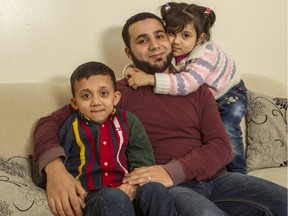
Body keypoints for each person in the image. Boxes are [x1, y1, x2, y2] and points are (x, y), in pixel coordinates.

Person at [34, 12, 287, 216]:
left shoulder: (196, 88)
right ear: (129, 53)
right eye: (143, 40)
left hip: (217, 180)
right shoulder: (112, 93)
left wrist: (171, 170)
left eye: (160, 35)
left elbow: (221, 147)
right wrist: (55, 170)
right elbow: (49, 123)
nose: (155, 45)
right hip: (171, 190)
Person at [36, 61, 178, 216]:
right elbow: (59, 165)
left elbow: (142, 161)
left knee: (155, 189)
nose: (96, 102)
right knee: (114, 197)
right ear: (75, 103)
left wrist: (133, 185)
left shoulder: (129, 121)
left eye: (103, 93)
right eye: (86, 96)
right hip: (92, 198)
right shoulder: (70, 127)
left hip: (129, 190)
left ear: (115, 97)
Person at [124, 2, 248, 174]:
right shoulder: (176, 54)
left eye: (185, 35)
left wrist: (150, 79)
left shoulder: (206, 54)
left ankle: (239, 171)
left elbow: (187, 83)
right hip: (208, 95)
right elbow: (154, 60)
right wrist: (129, 70)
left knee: (228, 129)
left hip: (230, 94)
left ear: (200, 38)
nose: (176, 41)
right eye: (171, 33)